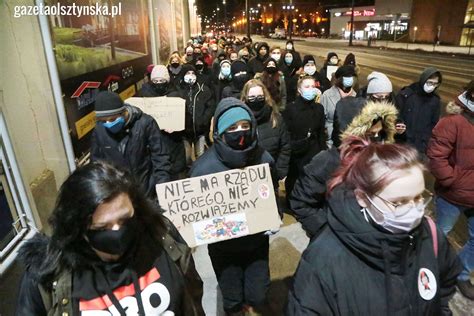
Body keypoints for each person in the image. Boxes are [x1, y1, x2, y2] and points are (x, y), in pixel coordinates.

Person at [287, 137, 462, 315]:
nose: (413, 210)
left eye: (418, 197)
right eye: (399, 202)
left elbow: (445, 282)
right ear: (363, 198)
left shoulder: (430, 233)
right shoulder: (323, 261)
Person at [16, 161, 204, 315]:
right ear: (77, 228)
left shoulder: (161, 235)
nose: (117, 231)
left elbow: (192, 295)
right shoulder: (47, 276)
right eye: (102, 227)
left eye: (124, 219)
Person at [190, 97, 278, 315]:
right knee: (232, 298)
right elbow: (195, 211)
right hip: (224, 249)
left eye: (245, 126)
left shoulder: (263, 158)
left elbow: (272, 191)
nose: (240, 132)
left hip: (256, 243)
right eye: (232, 127)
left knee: (258, 294)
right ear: (220, 131)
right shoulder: (202, 169)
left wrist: (274, 214)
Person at [290, 101, 399, 238]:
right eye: (370, 135)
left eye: (380, 134)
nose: (376, 140)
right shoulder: (328, 162)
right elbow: (301, 202)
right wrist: (327, 232)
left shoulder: (383, 161)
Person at [427, 81, 474, 299]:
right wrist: (451, 181)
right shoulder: (453, 122)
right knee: (439, 236)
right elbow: (436, 156)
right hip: (453, 195)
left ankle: (462, 274)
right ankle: (429, 273)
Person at [91, 91, 171, 199]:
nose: (108, 124)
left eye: (113, 119)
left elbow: (161, 158)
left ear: (123, 112)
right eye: (104, 121)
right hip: (118, 195)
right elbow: (97, 163)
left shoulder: (145, 123)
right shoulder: (99, 130)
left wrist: (163, 190)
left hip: (147, 192)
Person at [137, 65, 187, 180]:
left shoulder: (176, 96)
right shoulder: (144, 97)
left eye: (162, 80)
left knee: (175, 175)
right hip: (152, 145)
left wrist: (177, 127)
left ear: (167, 81)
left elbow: (186, 119)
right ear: (151, 81)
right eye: (155, 80)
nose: (159, 83)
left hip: (173, 143)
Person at [283, 76, 326, 199]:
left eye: (313, 86)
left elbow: (321, 132)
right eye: (307, 87)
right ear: (299, 90)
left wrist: (322, 151)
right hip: (296, 151)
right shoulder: (291, 108)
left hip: (313, 150)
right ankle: (291, 201)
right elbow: (287, 132)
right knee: (294, 179)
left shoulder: (319, 108)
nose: (310, 89)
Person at [331, 71, 400, 147]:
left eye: (386, 97)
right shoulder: (356, 109)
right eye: (379, 97)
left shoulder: (390, 112)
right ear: (370, 95)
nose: (383, 101)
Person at [241, 79, 291, 180]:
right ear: (245, 98)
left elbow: (285, 146)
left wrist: (279, 170)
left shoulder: (276, 118)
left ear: (265, 96)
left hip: (271, 174)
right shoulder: (240, 120)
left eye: (260, 97)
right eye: (252, 97)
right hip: (246, 176)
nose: (256, 100)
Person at [168, 64, 215, 164]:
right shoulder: (178, 90)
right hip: (185, 132)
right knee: (186, 157)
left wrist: (204, 120)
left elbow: (210, 106)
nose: (190, 75)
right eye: (188, 73)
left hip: (200, 131)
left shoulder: (203, 89)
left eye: (193, 73)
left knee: (201, 157)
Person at [395, 67, 442, 155]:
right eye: (429, 82)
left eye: (435, 84)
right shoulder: (406, 95)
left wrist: (427, 140)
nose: (432, 86)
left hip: (422, 146)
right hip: (403, 144)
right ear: (423, 80)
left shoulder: (435, 100)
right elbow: (396, 114)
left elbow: (434, 123)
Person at [320, 65, 357, 147]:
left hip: (350, 141)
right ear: (340, 79)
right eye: (346, 77)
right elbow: (321, 118)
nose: (349, 80)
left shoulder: (356, 96)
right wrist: (326, 134)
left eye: (351, 77)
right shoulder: (327, 95)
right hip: (331, 141)